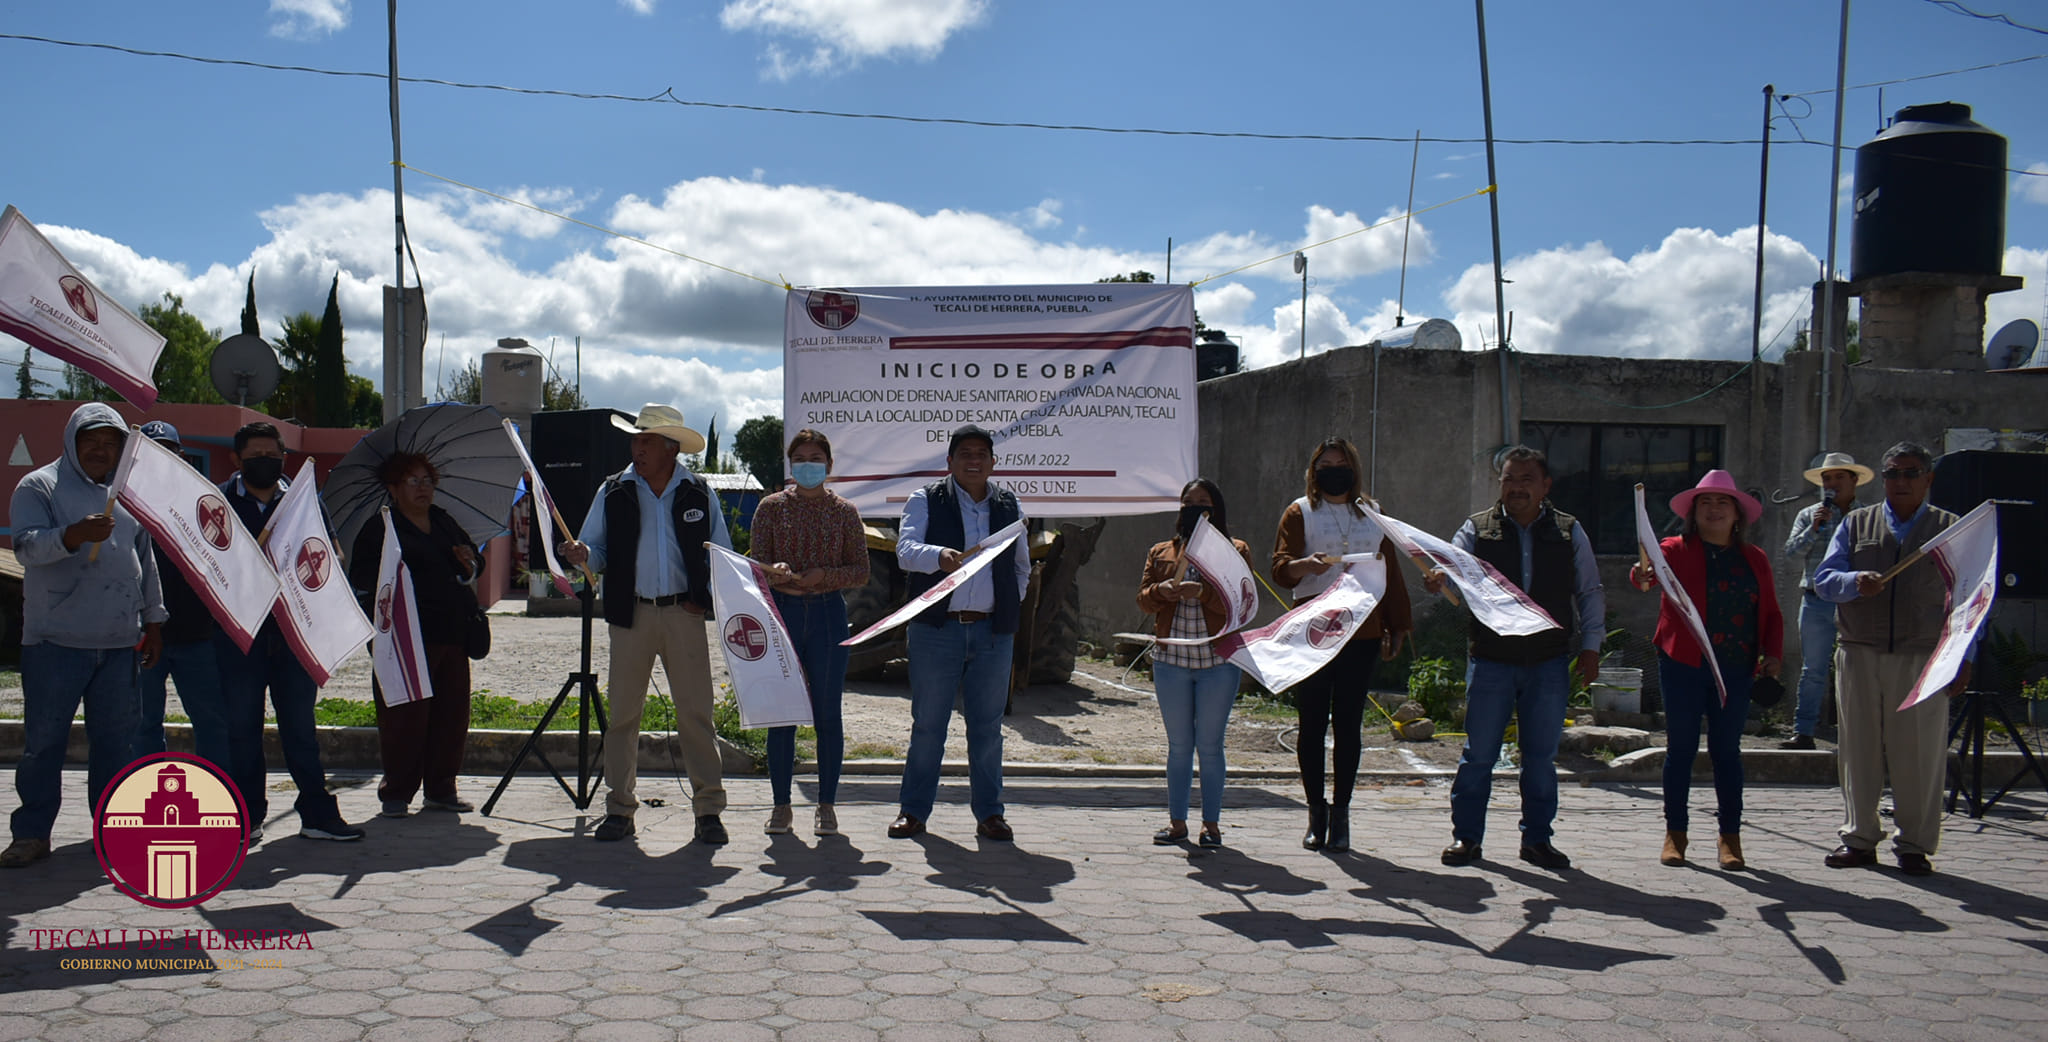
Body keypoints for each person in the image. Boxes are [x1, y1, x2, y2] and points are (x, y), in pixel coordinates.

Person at [2, 404, 165, 869]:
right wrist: (72, 535)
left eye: (110, 443)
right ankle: (31, 834)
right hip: (55, 643)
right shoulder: (39, 486)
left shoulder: (127, 494)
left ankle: (111, 831)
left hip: (119, 643)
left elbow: (145, 563)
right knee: (44, 743)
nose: (100, 450)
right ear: (72, 441)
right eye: (91, 440)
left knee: (116, 744)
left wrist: (152, 622)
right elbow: (26, 547)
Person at [561, 404, 733, 845]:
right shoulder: (613, 490)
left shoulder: (699, 491)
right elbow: (595, 552)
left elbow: (722, 558)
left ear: (671, 448)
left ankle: (708, 811)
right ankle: (619, 808)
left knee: (696, 714)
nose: (636, 448)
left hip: (685, 614)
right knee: (623, 715)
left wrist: (707, 600)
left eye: (646, 441)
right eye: (636, 440)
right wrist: (583, 557)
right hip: (630, 614)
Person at [1431, 445, 1604, 870]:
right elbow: (1449, 566)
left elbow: (1589, 591)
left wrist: (1591, 648)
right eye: (1510, 478)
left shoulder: (1569, 531)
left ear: (1546, 486)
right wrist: (1438, 577)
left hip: (1547, 662)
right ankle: (1466, 839)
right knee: (1479, 755)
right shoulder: (1476, 529)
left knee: (1541, 758)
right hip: (1491, 660)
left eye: (1527, 479)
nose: (1517, 487)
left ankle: (1537, 841)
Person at [1812, 441, 1969, 877]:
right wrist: (1853, 580)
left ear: (1928, 478)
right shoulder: (1856, 523)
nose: (1900, 481)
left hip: (1922, 654)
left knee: (1918, 751)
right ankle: (1859, 838)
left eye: (1910, 472)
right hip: (1860, 649)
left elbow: (1970, 598)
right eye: (1892, 473)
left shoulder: (1950, 529)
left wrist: (1963, 655)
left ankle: (1915, 844)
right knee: (1858, 748)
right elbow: (1825, 580)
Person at [214, 422, 363, 843]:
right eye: (255, 456)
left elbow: (331, 550)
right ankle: (247, 816)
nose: (265, 462)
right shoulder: (221, 502)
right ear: (237, 460)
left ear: (284, 458)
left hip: (293, 636)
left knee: (300, 727)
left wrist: (326, 559)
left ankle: (316, 812)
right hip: (239, 637)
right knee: (242, 729)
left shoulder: (302, 501)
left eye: (273, 455)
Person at [1629, 471, 1784, 871]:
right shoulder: (1674, 550)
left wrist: (1774, 655)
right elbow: (1645, 574)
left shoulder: (1756, 559)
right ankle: (1675, 834)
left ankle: (1729, 837)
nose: (1714, 509)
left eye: (1723, 502)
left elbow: (1769, 613)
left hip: (1736, 667)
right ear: (1693, 513)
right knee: (1680, 749)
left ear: (1737, 514)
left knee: (1726, 752)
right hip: (1682, 663)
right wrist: (1641, 574)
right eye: (1705, 503)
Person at [888, 424, 1032, 842]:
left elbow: (1021, 565)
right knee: (929, 724)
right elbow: (905, 551)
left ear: (992, 462)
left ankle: (990, 814)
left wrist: (1008, 602)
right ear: (949, 461)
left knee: (987, 728)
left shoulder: (1008, 504)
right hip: (937, 630)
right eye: (964, 453)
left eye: (981, 454)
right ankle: (913, 812)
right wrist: (939, 556)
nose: (973, 460)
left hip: (992, 634)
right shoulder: (926, 500)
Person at [1270, 439, 1412, 852]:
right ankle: (1316, 812)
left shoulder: (1373, 514)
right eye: (1326, 465)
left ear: (1354, 470)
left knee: (1349, 723)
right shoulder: (1300, 512)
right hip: (1314, 632)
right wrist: (1303, 565)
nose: (1334, 471)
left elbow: (1390, 571)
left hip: (1361, 630)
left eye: (1342, 464)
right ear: (1314, 472)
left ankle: (1342, 813)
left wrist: (1397, 623)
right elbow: (1280, 566)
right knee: (1312, 722)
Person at [748, 428, 868, 838]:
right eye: (800, 458)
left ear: (829, 466)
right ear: (790, 464)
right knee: (781, 715)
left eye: (816, 458)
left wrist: (826, 576)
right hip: (782, 614)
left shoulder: (846, 512)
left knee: (827, 714)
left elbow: (861, 571)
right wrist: (774, 571)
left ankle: (826, 805)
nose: (808, 465)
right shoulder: (770, 508)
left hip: (828, 615)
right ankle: (781, 805)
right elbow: (753, 564)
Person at [348, 453, 481, 819]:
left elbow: (475, 563)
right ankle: (397, 792)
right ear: (393, 488)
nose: (424, 488)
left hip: (451, 634)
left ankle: (441, 789)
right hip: (403, 640)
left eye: (428, 481)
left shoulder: (442, 521)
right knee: (404, 718)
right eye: (413, 481)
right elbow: (361, 576)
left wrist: (469, 559)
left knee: (451, 717)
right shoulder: (382, 528)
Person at [1138, 478, 1252, 848]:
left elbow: (1243, 607)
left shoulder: (1235, 550)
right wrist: (1162, 591)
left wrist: (1204, 594)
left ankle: (1212, 825)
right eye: (1187, 502)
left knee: (1211, 745)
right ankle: (1177, 823)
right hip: (1171, 660)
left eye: (1202, 502)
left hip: (1217, 663)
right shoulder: (1162, 552)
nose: (1194, 508)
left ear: (1216, 509)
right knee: (1178, 746)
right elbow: (1143, 600)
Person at [131, 421, 227, 768]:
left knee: (212, 723)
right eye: (151, 451)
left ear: (181, 456)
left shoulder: (202, 504)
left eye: (167, 451)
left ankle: (217, 797)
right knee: (143, 724)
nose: (160, 459)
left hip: (196, 636)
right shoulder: (125, 503)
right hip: (141, 636)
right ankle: (146, 799)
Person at [1779, 452, 1872, 750]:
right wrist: (1815, 528)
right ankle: (1804, 732)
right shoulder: (1810, 514)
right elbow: (1791, 553)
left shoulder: (1868, 516)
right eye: (1826, 478)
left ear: (1854, 481)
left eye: (1838, 478)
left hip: (1855, 602)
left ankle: (1858, 734)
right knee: (1814, 669)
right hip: (1816, 600)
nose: (1831, 484)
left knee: (1859, 667)